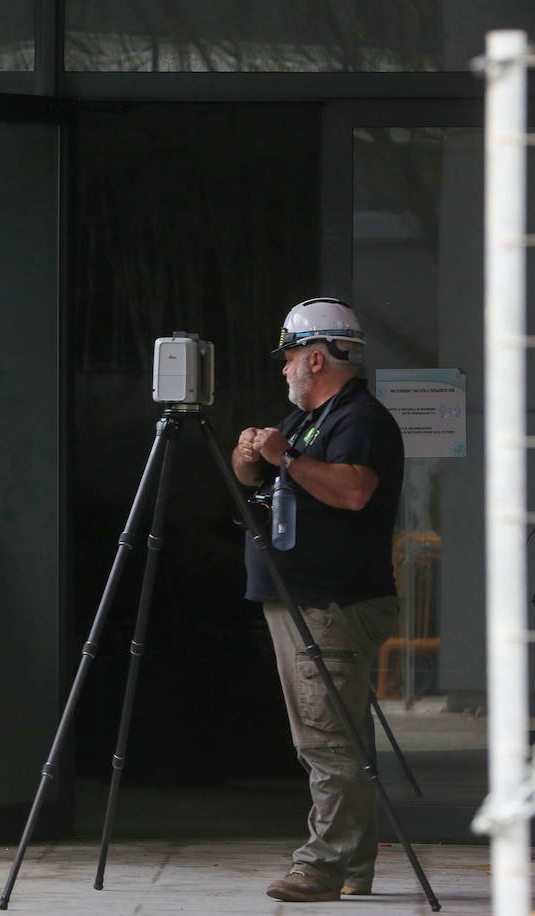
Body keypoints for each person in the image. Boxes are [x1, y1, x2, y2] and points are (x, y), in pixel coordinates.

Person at [230, 298, 404, 903]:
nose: (283, 371)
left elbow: (354, 490)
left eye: (287, 359)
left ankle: (326, 865)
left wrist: (285, 456)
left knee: (327, 739)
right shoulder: (308, 419)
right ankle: (349, 864)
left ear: (315, 357)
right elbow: (253, 478)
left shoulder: (358, 419)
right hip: (306, 603)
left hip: (329, 606)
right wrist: (253, 455)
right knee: (332, 734)